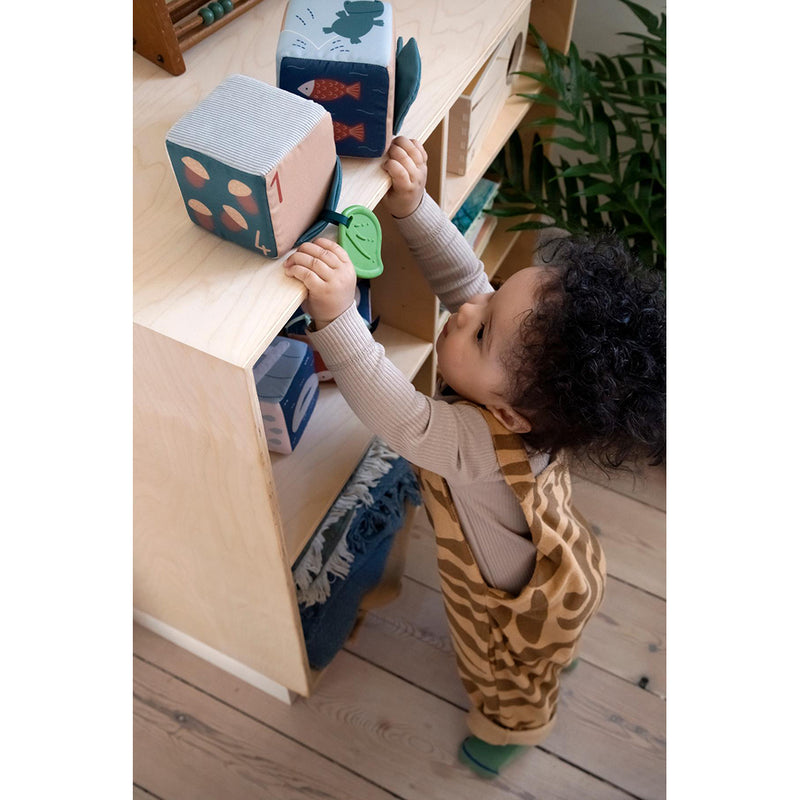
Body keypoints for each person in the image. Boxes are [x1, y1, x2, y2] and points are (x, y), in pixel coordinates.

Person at [283, 136, 666, 779]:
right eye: (497, 294)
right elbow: (466, 281)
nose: (468, 310)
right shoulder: (532, 402)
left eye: (482, 331)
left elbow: (398, 415)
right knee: (549, 641)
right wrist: (415, 207)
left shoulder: (477, 445)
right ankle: (560, 647)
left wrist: (339, 316)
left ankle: (513, 727)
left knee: (503, 671)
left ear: (511, 416)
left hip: (504, 599)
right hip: (564, 550)